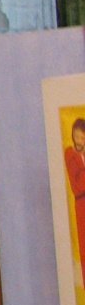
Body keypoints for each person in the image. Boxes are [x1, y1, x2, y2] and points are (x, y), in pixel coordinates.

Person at [65, 119, 85, 288]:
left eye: (82, 137)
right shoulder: (70, 154)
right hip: (82, 205)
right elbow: (77, 185)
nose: (79, 141)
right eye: (76, 136)